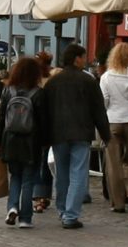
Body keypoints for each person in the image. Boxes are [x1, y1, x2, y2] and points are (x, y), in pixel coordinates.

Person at [40, 43, 111, 230]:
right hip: (81, 132)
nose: (85, 60)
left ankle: (63, 210)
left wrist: (45, 135)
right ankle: (71, 215)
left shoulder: (53, 82)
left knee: (61, 174)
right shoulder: (88, 81)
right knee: (78, 173)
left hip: (58, 134)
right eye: (83, 56)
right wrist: (106, 135)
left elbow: (45, 110)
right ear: (76, 58)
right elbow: (98, 110)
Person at [0, 57, 47, 230]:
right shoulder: (38, 93)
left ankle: (12, 207)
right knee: (28, 180)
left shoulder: (8, 91)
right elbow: (42, 121)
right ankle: (25, 218)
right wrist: (45, 142)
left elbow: (1, 118)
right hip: (31, 142)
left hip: (10, 139)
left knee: (15, 176)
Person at [99, 42, 128, 214]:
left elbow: (104, 101)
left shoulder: (107, 77)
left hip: (112, 120)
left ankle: (118, 203)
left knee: (113, 163)